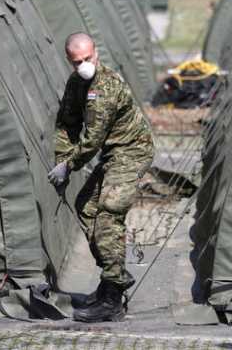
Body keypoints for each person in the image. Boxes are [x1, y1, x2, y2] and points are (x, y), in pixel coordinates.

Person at [48, 32, 155, 323]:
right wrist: (62, 160)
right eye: (77, 61)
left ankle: (112, 299)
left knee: (108, 213)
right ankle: (113, 275)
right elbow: (66, 124)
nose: (84, 66)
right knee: (86, 206)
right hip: (112, 155)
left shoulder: (105, 86)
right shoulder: (76, 83)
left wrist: (69, 166)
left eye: (88, 58)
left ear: (97, 52)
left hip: (132, 152)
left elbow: (93, 139)